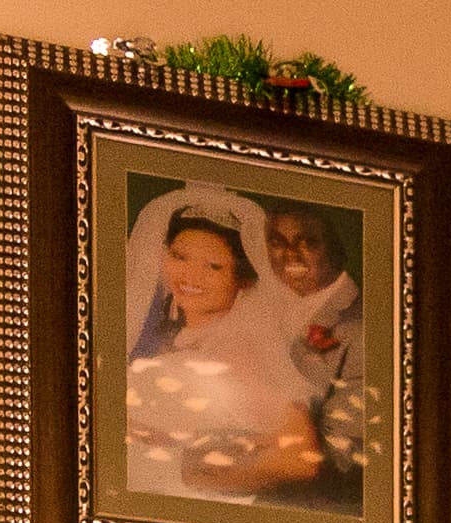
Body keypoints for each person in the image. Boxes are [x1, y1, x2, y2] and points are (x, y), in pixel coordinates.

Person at [119, 185, 325, 504]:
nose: (190, 275)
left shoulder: (241, 349)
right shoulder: (175, 338)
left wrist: (185, 475)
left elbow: (299, 457)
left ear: (242, 278)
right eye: (179, 256)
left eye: (213, 266)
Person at [260, 198, 368, 507]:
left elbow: (346, 454)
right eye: (278, 243)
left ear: (333, 246)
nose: (290, 255)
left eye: (307, 242)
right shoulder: (259, 306)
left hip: (306, 501)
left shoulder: (361, 326)